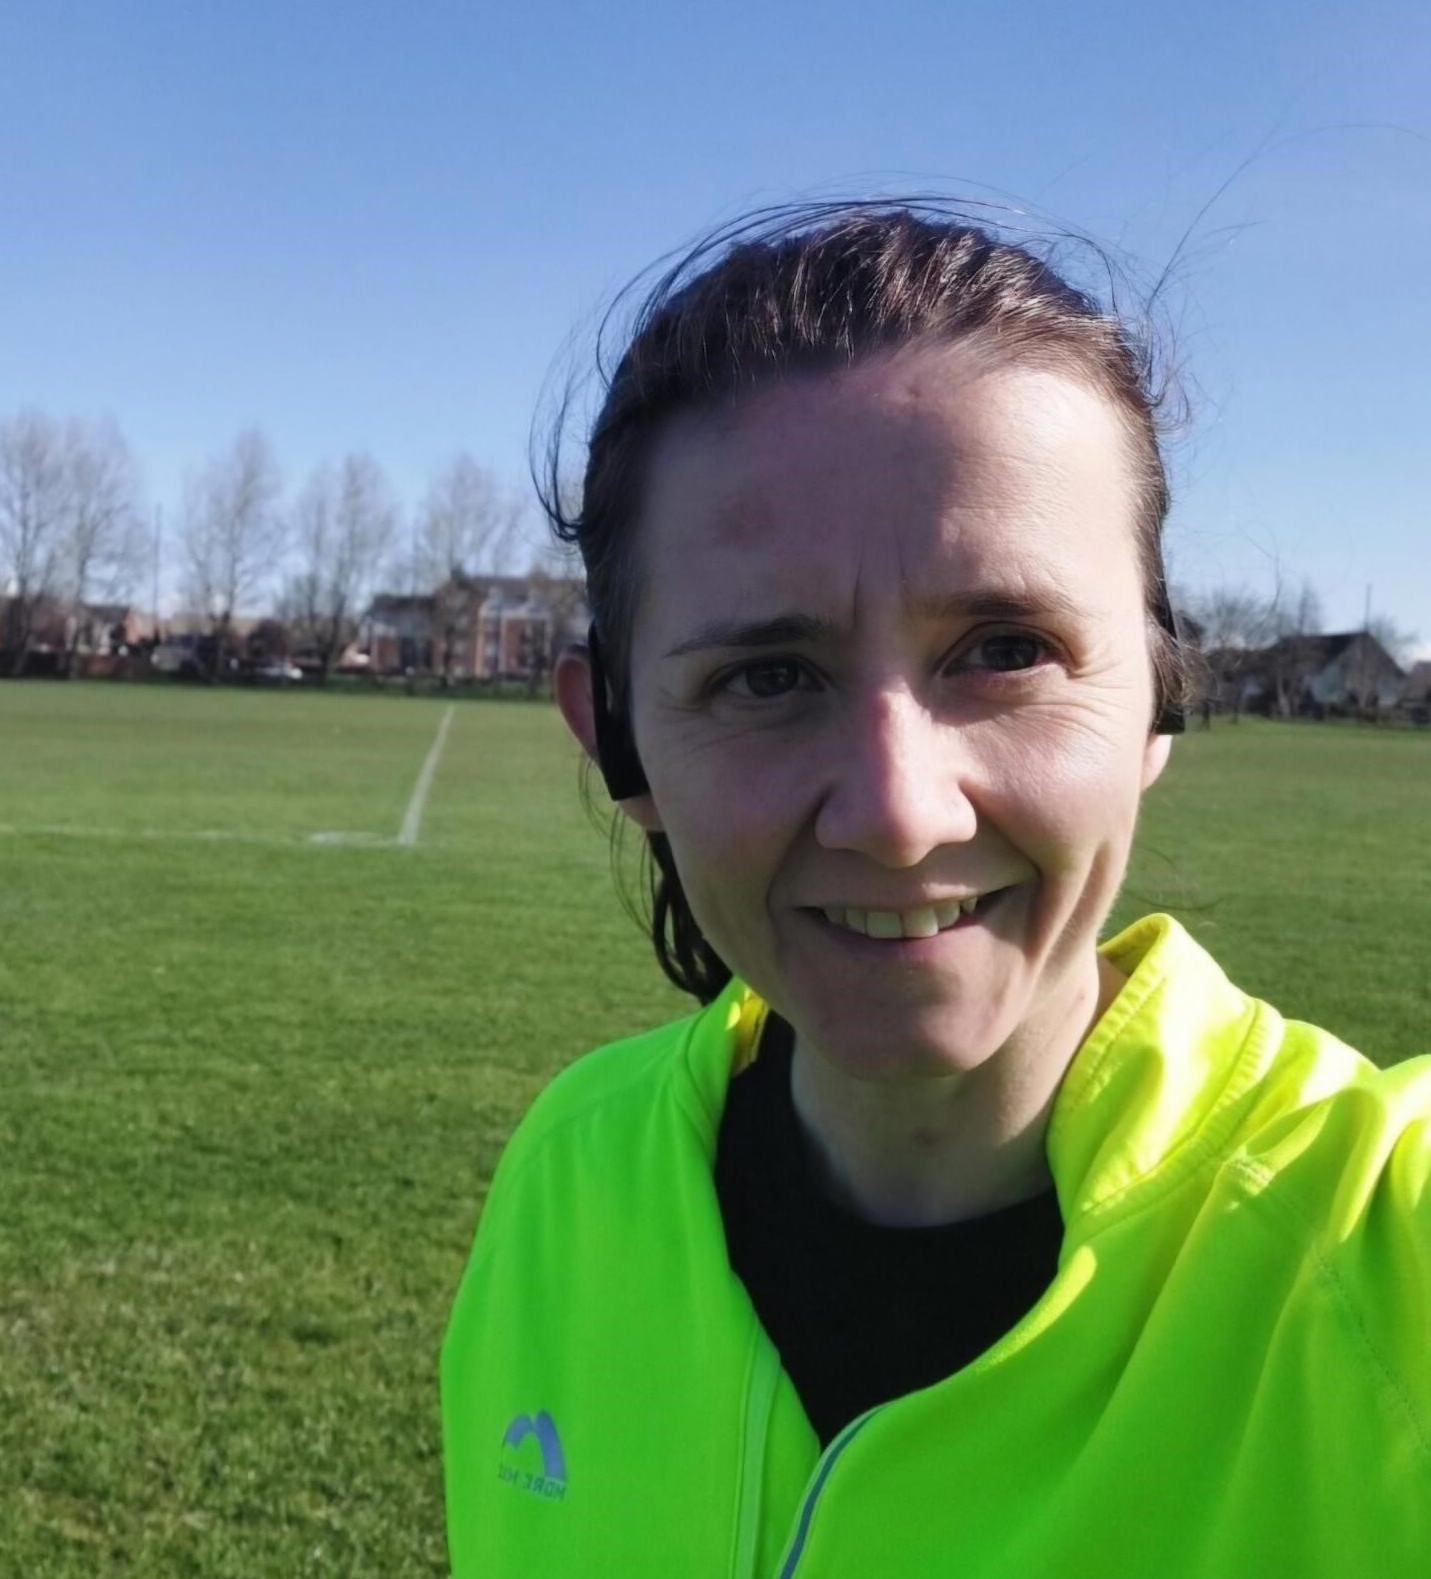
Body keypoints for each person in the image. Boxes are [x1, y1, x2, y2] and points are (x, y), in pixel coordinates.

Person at [438, 205, 1431, 1576]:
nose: (902, 814)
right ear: (615, 737)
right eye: (767, 677)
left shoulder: (1385, 1252)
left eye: (1007, 648)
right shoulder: (570, 1176)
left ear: (1160, 698)